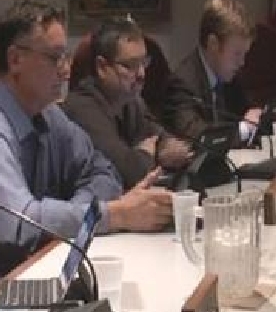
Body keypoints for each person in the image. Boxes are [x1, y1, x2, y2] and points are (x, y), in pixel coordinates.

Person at [0, 0, 174, 282]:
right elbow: (20, 225)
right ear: (15, 60)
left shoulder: (49, 115)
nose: (66, 70)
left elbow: (103, 172)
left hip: (40, 270)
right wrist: (112, 215)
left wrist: (85, 214)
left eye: (66, 56)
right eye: (54, 57)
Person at [62, 16, 191, 189]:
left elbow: (162, 139)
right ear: (102, 67)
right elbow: (129, 173)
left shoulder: (131, 100)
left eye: (144, 62)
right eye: (130, 65)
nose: (142, 74)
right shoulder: (82, 108)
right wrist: (149, 153)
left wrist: (153, 149)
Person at [161, 0, 263, 145]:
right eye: (237, 53)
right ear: (213, 44)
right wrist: (245, 128)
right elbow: (197, 137)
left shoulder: (228, 77)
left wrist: (259, 117)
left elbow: (248, 112)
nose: (242, 62)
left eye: (244, 54)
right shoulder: (182, 84)